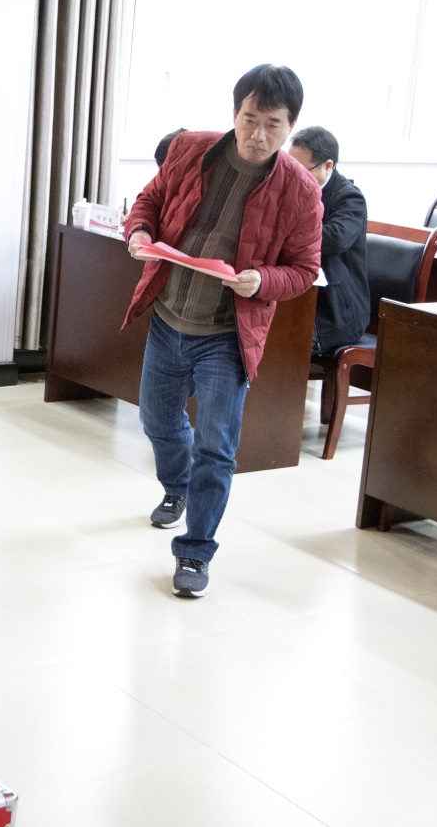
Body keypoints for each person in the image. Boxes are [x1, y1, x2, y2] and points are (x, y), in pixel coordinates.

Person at [123, 64, 322, 598]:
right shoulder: (190, 149)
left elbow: (304, 270)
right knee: (156, 419)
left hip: (227, 336)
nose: (257, 134)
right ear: (234, 112)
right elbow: (149, 200)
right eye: (249, 119)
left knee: (216, 448)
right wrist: (139, 231)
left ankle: (195, 551)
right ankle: (177, 486)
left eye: (273, 125)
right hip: (169, 317)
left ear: (291, 126)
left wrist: (262, 281)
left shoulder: (301, 191)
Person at [289, 126, 369, 356]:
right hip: (300, 298)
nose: (294, 177)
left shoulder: (350, 197)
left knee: (283, 343)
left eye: (302, 170)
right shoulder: (292, 190)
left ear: (328, 166)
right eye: (290, 167)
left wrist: (287, 232)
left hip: (337, 310)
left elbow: (335, 238)